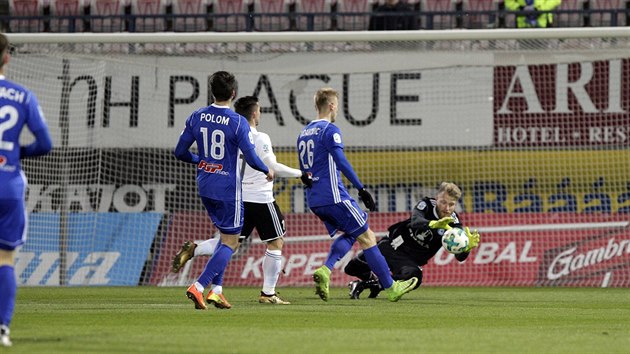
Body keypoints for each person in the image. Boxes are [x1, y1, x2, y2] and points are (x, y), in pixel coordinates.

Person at [172, 95, 312, 305]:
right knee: (275, 241)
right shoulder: (259, 137)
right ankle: (268, 293)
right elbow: (273, 167)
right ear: (255, 113)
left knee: (230, 242)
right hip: (261, 198)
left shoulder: (231, 133)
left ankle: (198, 251)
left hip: (235, 196)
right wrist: (300, 173)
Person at [297, 87, 417, 302]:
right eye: (337, 105)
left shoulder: (303, 133)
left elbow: (304, 172)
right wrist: (361, 189)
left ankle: (325, 270)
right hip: (334, 196)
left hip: (314, 199)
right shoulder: (329, 130)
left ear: (316, 105)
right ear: (332, 105)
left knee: (353, 233)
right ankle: (391, 287)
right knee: (368, 237)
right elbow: (341, 161)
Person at [173, 71, 274, 310]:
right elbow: (250, 157)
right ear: (233, 93)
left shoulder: (196, 116)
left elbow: (179, 152)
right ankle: (198, 287)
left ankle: (216, 291)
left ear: (212, 92)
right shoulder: (238, 121)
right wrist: (265, 170)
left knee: (223, 237)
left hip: (205, 184)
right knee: (231, 242)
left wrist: (200, 160)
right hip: (228, 187)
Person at [0, 33, 53, 347]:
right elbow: (45, 143)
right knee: (5, 258)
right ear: (7, 57)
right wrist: (14, 154)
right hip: (7, 183)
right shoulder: (22, 95)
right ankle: (2, 328)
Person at [344, 182, 481, 299]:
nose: (446, 208)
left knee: (415, 277)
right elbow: (416, 221)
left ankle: (364, 285)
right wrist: (433, 224)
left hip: (409, 261)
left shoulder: (455, 225)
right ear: (437, 198)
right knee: (352, 268)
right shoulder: (426, 204)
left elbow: (460, 258)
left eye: (451, 204)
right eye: (443, 202)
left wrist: (466, 247)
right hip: (392, 246)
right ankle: (374, 283)